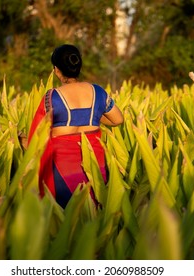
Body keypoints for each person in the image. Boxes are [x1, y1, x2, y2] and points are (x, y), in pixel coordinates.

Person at [27, 44, 124, 208]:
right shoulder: (98, 92)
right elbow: (118, 120)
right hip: (95, 165)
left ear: (57, 70)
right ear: (79, 66)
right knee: (94, 214)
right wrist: (92, 117)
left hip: (61, 168)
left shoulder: (52, 97)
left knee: (65, 220)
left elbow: (38, 135)